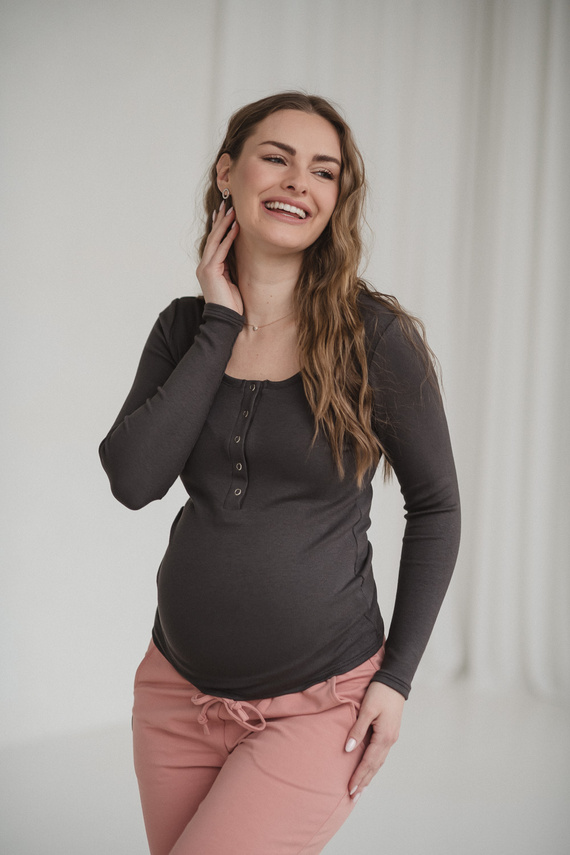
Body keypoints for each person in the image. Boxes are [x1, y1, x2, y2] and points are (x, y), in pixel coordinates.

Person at [99, 91, 460, 855]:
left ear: (337, 199)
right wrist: (220, 321)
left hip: (320, 706)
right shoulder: (183, 327)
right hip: (174, 693)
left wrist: (396, 679)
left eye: (323, 171)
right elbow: (133, 479)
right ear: (226, 172)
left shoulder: (372, 336)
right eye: (277, 158)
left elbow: (436, 506)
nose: (300, 181)